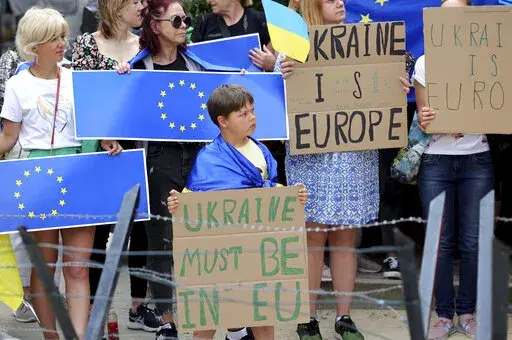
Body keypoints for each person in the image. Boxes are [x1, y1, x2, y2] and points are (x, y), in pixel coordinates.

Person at [275, 0, 411, 338]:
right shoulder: (292, 47)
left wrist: (398, 87)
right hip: (313, 157)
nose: (340, 3)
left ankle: (343, 318)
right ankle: (307, 320)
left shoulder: (362, 43)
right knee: (313, 236)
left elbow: (380, 90)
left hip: (354, 155)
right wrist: (283, 74)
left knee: (345, 237)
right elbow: (274, 100)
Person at [0, 7, 122, 339]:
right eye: (53, 37)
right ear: (34, 44)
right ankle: (52, 335)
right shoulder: (17, 85)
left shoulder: (79, 78)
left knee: (79, 267)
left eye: (62, 36)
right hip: (37, 178)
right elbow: (8, 138)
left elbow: (97, 123)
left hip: (81, 174)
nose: (61, 43)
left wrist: (107, 138)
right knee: (46, 267)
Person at [166, 84, 308, 340]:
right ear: (223, 121)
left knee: (264, 319)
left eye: (252, 111)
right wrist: (177, 203)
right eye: (243, 114)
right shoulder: (209, 157)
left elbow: (273, 192)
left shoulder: (262, 151)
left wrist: (293, 196)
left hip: (256, 252)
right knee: (206, 321)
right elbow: (192, 199)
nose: (252, 118)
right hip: (219, 257)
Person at [72, 0, 158, 333]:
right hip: (100, 149)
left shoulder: (146, 45)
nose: (143, 6)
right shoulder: (86, 45)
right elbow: (82, 98)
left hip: (140, 146)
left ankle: (138, 306)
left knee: (140, 228)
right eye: (135, 1)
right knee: (98, 231)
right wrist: (105, 133)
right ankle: (95, 307)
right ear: (116, 6)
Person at [414, 1, 493, 338]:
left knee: (474, 242)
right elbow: (422, 116)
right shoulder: (424, 62)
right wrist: (428, 119)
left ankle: (468, 313)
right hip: (436, 161)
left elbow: (496, 107)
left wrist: (472, 118)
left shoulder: (489, 59)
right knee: (440, 242)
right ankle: (444, 315)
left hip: (477, 158)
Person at [191, 0, 276, 72]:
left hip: (251, 89)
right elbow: (191, 60)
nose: (209, 0)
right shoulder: (204, 23)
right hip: (214, 89)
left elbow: (280, 61)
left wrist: (273, 65)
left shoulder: (260, 21)